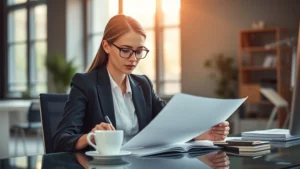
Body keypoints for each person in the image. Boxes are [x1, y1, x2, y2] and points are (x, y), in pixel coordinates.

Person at [52, 14, 230, 152]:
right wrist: (91, 136)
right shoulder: (85, 84)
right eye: (125, 50)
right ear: (106, 46)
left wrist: (202, 135)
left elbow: (170, 124)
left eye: (139, 51)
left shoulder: (143, 84)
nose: (133, 59)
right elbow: (60, 140)